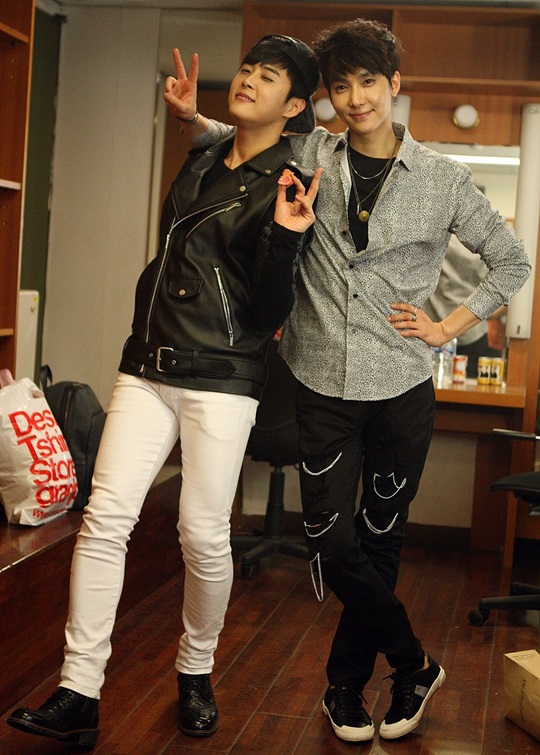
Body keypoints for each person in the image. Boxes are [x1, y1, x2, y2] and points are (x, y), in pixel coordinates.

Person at [167, 18, 530, 744]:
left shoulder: (444, 179)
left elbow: (513, 261)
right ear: (327, 97)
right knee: (331, 542)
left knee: (381, 539)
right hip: (320, 382)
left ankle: (344, 687)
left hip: (401, 386)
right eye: (341, 86)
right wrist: (193, 120)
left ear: (394, 84)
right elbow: (240, 137)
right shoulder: (309, 151)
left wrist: (447, 325)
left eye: (369, 82)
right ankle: (414, 661)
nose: (356, 98)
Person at [7, 35, 322, 747]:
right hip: (146, 363)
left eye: (269, 77)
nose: (248, 79)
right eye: (247, 68)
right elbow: (199, 184)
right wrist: (189, 119)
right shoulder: (208, 153)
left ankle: (196, 669)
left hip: (223, 376)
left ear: (294, 105)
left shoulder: (290, 181)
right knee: (105, 519)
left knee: (202, 534)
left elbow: (271, 310)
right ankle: (79, 691)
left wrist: (286, 237)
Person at [424, 234, 506, 379]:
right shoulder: (495, 237)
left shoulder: (436, 233)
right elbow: (509, 293)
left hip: (432, 330)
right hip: (471, 329)